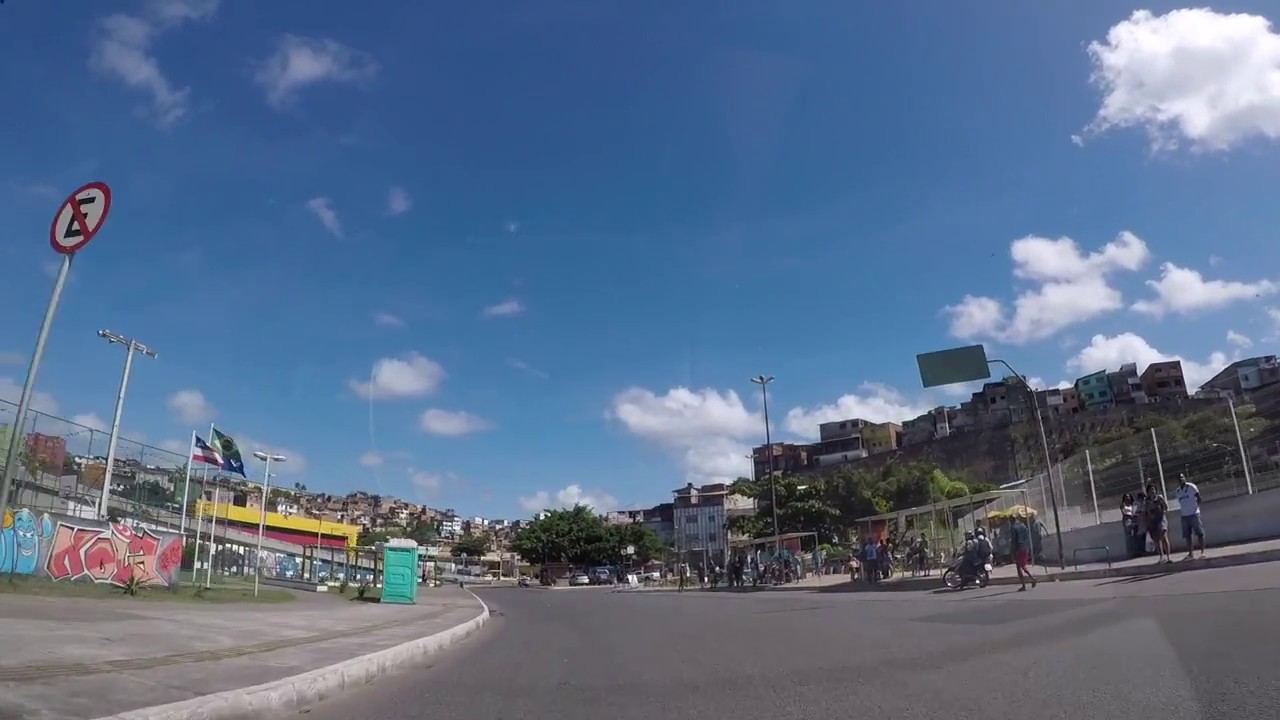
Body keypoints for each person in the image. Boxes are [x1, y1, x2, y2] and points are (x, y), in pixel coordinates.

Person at [1175, 474, 1206, 560]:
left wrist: (1196, 508)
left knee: (1200, 533)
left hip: (1194, 514)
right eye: (1179, 478)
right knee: (1187, 535)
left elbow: (1199, 498)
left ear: (1184, 478)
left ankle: (1202, 552)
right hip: (1184, 515)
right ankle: (1190, 553)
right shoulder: (1178, 491)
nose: (1180, 479)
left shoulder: (1191, 487)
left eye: (1182, 477)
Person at [1144, 482, 1172, 563]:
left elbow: (1165, 508)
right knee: (1157, 539)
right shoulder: (1147, 501)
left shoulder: (1159, 498)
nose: (1152, 491)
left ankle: (1168, 556)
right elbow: (1146, 512)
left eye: (1153, 489)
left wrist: (1162, 502)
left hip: (1161, 520)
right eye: (1150, 490)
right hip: (1153, 522)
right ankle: (1161, 556)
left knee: (1164, 537)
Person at [1009, 517, 1038, 591]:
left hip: (1018, 549)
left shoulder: (1013, 528)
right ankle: (1026, 583)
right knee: (1022, 565)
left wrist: (1012, 551)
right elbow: (1027, 537)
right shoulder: (1023, 526)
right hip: (1025, 547)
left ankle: (1030, 579)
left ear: (1012, 519)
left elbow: (1013, 541)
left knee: (1020, 567)